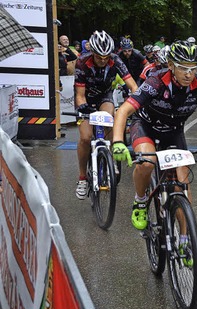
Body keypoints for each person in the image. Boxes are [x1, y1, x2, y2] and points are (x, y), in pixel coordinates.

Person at [111, 41, 197, 232]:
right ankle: (141, 201)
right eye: (183, 68)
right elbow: (123, 111)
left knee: (183, 185)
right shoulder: (155, 82)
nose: (188, 74)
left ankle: (185, 239)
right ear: (170, 65)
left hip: (173, 131)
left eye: (193, 68)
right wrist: (118, 142)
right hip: (146, 125)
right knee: (147, 162)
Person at [74, 30, 138, 200]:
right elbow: (79, 95)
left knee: (109, 119)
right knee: (86, 137)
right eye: (99, 56)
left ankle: (109, 157)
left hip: (105, 96)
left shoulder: (115, 60)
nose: (103, 60)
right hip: (86, 97)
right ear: (92, 52)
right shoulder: (81, 62)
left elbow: (132, 85)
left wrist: (138, 101)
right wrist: (83, 109)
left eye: (106, 56)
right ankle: (82, 178)